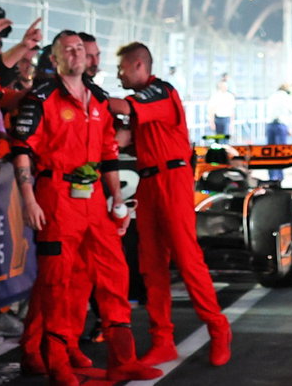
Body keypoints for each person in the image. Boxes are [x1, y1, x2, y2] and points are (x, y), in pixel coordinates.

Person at [9, 32, 159, 385]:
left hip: (94, 200)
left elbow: (108, 153)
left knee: (113, 274)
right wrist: (28, 200)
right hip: (56, 197)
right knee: (57, 282)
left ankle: (124, 358)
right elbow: (21, 149)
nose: (77, 55)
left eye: (80, 49)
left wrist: (117, 202)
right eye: (68, 50)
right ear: (56, 59)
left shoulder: (99, 100)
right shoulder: (41, 98)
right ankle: (56, 361)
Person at [108, 42, 230, 367]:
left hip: (172, 180)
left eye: (121, 67)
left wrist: (87, 95)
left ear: (137, 65)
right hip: (149, 183)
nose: (118, 73)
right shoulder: (145, 100)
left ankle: (219, 329)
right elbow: (121, 136)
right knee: (151, 266)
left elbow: (123, 108)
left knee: (187, 260)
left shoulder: (160, 91)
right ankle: (163, 340)